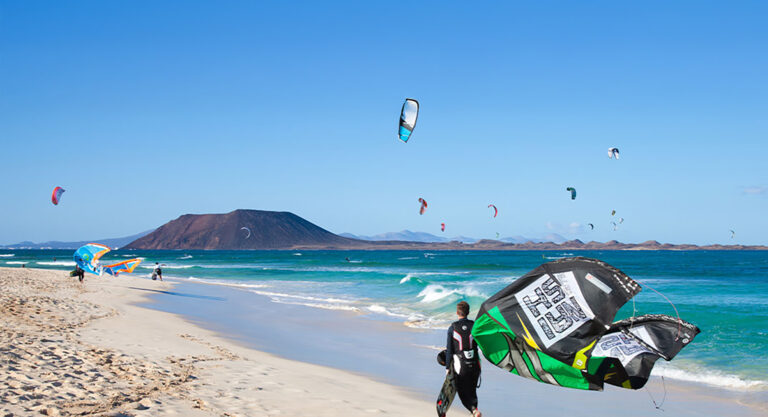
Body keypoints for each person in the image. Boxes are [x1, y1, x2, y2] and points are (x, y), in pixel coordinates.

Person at [446, 301, 482, 417]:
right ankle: (474, 410)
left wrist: (447, 368)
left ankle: (474, 411)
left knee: (461, 391)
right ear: (468, 312)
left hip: (461, 366)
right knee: (472, 390)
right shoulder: (474, 326)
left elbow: (450, 350)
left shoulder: (452, 328)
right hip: (475, 364)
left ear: (457, 313)